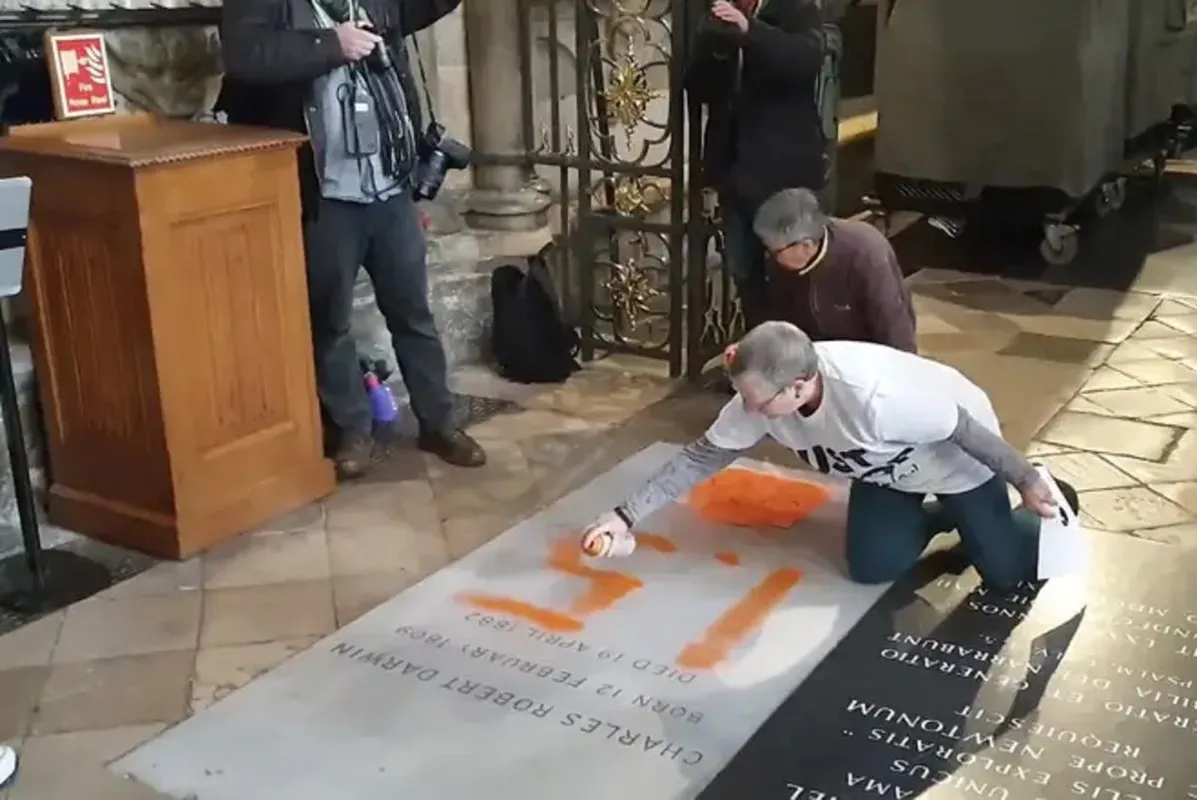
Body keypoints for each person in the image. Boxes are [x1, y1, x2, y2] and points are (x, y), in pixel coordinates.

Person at [580, 321, 1079, 595]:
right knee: (871, 566)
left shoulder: (877, 399)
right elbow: (701, 457)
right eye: (744, 397)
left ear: (799, 386)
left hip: (957, 463)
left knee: (1005, 574)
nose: (750, 411)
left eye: (759, 401)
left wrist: (1026, 480)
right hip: (885, 474)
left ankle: (1032, 506)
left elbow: (965, 430)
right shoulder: (761, 398)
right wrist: (624, 515)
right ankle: (947, 518)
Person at [218, 0, 485, 479]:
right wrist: (331, 45)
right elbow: (245, 55)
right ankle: (352, 431)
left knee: (413, 314)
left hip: (389, 186)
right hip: (324, 194)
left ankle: (439, 423)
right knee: (330, 321)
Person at [685, 0, 827, 331]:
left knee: (793, 272)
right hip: (735, 174)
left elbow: (804, 60)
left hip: (783, 173)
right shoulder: (718, 14)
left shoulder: (795, 8)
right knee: (745, 274)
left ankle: (801, 349)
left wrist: (750, 30)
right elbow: (697, 87)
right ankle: (761, 349)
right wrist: (715, 47)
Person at [753, 187, 916, 351]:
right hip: (814, 352)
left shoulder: (866, 254)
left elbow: (895, 330)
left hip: (865, 354)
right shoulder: (782, 261)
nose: (770, 256)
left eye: (774, 252)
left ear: (806, 246)